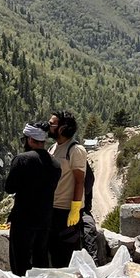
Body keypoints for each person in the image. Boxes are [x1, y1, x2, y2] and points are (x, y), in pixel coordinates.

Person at [4, 121, 61, 276]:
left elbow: (9, 188)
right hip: (45, 219)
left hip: (23, 219)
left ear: (30, 139)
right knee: (40, 259)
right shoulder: (55, 164)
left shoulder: (22, 160)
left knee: (20, 261)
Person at [46, 111, 89, 268]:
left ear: (63, 128)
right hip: (52, 208)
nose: (48, 126)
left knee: (65, 255)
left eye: (52, 124)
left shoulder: (75, 150)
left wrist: (75, 208)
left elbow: (79, 181)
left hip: (66, 211)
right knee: (53, 252)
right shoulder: (52, 148)